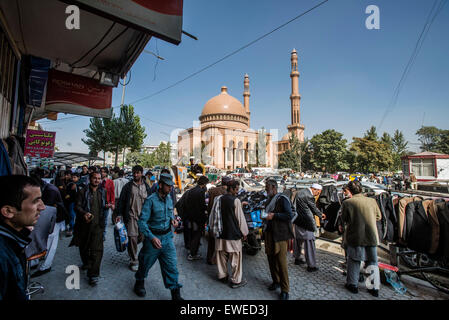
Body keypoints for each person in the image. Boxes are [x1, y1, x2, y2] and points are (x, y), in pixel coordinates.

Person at [133, 173, 183, 300]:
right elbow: (142, 222)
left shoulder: (169, 199)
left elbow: (171, 213)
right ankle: (139, 283)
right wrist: (151, 237)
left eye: (171, 186)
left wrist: (173, 220)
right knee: (145, 263)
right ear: (160, 185)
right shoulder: (151, 200)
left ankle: (175, 294)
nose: (170, 188)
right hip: (152, 240)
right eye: (168, 186)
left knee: (171, 266)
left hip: (167, 239)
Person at [0, 175, 45, 300]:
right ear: (8, 211)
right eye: (35, 201)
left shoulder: (15, 242)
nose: (42, 207)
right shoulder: (3, 255)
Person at [341, 180, 382, 297]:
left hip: (355, 235)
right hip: (371, 235)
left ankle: (352, 284)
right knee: (372, 261)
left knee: (354, 260)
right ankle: (373, 287)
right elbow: (378, 216)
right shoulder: (372, 201)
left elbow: (344, 219)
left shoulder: (348, 203)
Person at [70, 172, 108, 286]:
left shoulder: (102, 191)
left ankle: (93, 275)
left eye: (99, 179)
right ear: (90, 179)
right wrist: (84, 213)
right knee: (84, 247)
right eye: (94, 178)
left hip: (98, 226)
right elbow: (77, 206)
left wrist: (107, 207)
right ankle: (86, 263)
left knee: (97, 251)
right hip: (84, 226)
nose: (97, 180)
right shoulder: (82, 191)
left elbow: (103, 206)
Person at [29, 169, 68, 278]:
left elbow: (46, 210)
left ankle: (46, 265)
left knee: (51, 242)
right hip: (48, 217)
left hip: (55, 218)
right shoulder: (45, 188)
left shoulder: (50, 190)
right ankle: (35, 261)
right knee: (41, 238)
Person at [262, 179, 295, 300]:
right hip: (269, 233)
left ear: (273, 187)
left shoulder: (282, 199)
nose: (266, 190)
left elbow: (289, 215)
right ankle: (275, 281)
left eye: (267, 188)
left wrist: (274, 215)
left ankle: (285, 289)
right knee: (271, 259)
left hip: (280, 234)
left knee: (281, 263)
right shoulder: (269, 199)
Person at [213, 179, 249, 288]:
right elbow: (240, 218)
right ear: (231, 189)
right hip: (233, 235)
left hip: (220, 234)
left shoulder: (218, 199)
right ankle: (236, 281)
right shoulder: (236, 201)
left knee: (221, 256)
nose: (237, 192)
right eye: (236, 189)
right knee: (236, 259)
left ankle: (222, 276)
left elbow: (213, 216)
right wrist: (245, 232)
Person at [116, 165, 152, 271]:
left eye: (138, 173)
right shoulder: (128, 187)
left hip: (144, 218)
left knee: (141, 237)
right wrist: (119, 214)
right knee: (132, 237)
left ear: (141, 173)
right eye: (134, 173)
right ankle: (133, 260)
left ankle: (132, 248)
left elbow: (151, 201)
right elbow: (122, 201)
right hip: (131, 216)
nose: (136, 175)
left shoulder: (146, 187)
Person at [293, 183, 325, 272]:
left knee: (298, 240)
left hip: (298, 220)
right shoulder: (309, 195)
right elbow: (313, 208)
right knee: (309, 243)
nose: (317, 194)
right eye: (318, 192)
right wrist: (321, 215)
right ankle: (311, 265)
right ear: (314, 189)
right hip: (307, 222)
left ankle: (297, 258)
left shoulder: (300, 192)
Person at [205, 176, 231, 265]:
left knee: (211, 239)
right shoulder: (226, 193)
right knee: (220, 241)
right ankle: (218, 260)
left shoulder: (213, 190)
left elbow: (209, 205)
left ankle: (209, 258)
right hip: (220, 218)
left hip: (211, 216)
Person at [183, 175, 209, 261]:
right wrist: (207, 209)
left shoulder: (192, 190)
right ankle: (193, 254)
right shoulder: (200, 191)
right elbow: (201, 205)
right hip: (198, 218)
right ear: (204, 183)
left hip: (190, 216)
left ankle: (191, 250)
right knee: (197, 235)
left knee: (192, 233)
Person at [100, 167, 115, 239]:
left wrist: (112, 203)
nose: (102, 173)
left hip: (106, 203)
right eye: (101, 172)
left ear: (106, 173)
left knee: (105, 220)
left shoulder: (110, 181)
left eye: (104, 172)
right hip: (98, 203)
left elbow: (112, 193)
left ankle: (103, 234)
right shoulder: (98, 180)